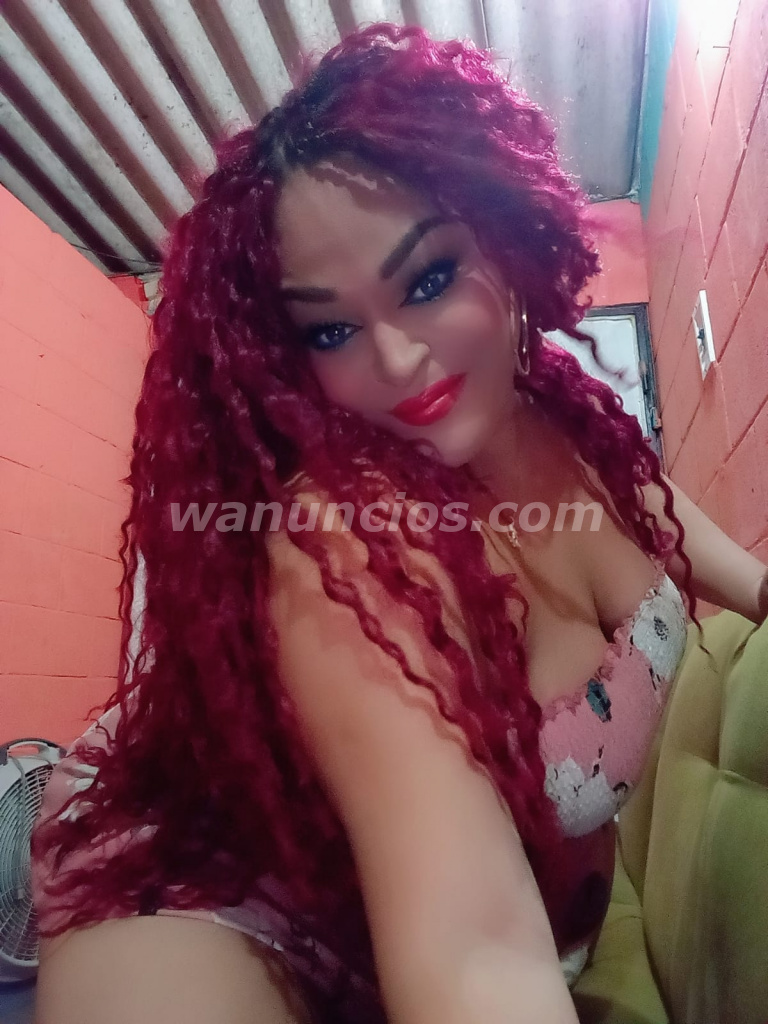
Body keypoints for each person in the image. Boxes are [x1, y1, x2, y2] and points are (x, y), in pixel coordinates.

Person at [29, 21, 768, 1024]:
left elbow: (650, 502)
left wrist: (757, 584)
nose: (398, 359)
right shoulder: (349, 539)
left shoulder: (547, 409)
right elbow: (471, 952)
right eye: (332, 328)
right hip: (207, 874)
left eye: (427, 279)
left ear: (505, 236)